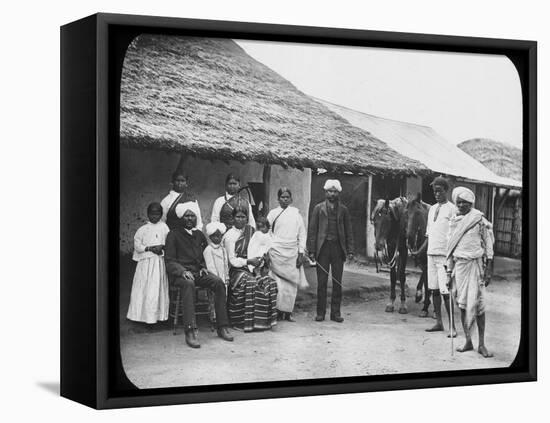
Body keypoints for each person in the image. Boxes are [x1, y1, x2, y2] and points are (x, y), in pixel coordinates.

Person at [164, 202, 233, 348]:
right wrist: (182, 271)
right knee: (188, 284)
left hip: (197, 272)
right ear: (181, 217)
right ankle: (190, 330)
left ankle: (222, 326)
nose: (189, 219)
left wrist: (202, 267)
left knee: (218, 282)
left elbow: (201, 257)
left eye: (192, 216)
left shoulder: (199, 235)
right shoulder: (173, 235)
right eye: (187, 216)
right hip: (180, 275)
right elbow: (169, 261)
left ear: (196, 218)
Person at [446, 187, 495, 358]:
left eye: (464, 203)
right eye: (458, 202)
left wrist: (488, 269)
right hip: (459, 267)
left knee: (479, 307)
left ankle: (481, 344)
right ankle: (468, 340)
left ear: (470, 203)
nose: (460, 205)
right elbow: (450, 249)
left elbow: (488, 246)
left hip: (476, 266)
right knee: (462, 305)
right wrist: (448, 272)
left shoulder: (479, 220)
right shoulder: (453, 221)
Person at [413, 176, 458, 336]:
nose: (437, 194)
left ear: (446, 191)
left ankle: (452, 327)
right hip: (431, 254)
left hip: (444, 257)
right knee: (434, 290)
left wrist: (453, 257)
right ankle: (438, 322)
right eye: (434, 192)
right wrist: (419, 251)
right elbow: (429, 235)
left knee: (446, 292)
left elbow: (455, 236)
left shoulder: (453, 209)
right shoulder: (432, 209)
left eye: (439, 191)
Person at [224, 205, 278, 332]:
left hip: (252, 267)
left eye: (243, 217)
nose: (241, 220)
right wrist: (248, 261)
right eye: (238, 217)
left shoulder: (252, 231)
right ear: (232, 218)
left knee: (270, 282)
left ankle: (262, 322)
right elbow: (231, 261)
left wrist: (262, 259)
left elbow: (259, 248)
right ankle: (241, 321)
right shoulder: (229, 236)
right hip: (236, 270)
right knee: (251, 282)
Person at [307, 179, 354, 323]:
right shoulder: (318, 208)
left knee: (337, 282)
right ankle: (320, 313)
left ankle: (336, 313)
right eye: (329, 191)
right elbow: (312, 230)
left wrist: (350, 250)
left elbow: (348, 231)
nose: (332, 194)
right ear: (325, 192)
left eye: (334, 191)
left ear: (338, 193)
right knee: (321, 283)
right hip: (323, 249)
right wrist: (312, 250)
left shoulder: (343, 210)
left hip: (338, 249)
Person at [267, 187, 308, 322]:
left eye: (287, 197)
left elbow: (302, 234)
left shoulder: (296, 215)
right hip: (277, 251)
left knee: (291, 284)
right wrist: (269, 247)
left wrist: (301, 252)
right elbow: (267, 232)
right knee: (278, 283)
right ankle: (278, 311)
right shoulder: (272, 214)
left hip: (292, 252)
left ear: (291, 199)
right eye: (282, 197)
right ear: (278, 199)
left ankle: (288, 312)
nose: (285, 199)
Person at [127, 202, 170, 324]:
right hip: (145, 264)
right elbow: (137, 245)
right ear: (148, 214)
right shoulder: (142, 229)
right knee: (143, 289)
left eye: (157, 213)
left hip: (158, 263)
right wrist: (149, 248)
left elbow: (169, 242)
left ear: (161, 214)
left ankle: (158, 317)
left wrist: (161, 246)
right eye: (152, 213)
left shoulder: (164, 228)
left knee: (156, 289)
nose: (154, 216)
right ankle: (140, 316)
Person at [203, 222, 230, 290]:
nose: (216, 238)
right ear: (210, 237)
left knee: (225, 292)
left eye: (218, 236)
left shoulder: (223, 249)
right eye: (214, 236)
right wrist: (217, 278)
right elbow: (210, 267)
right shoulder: (208, 249)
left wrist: (227, 277)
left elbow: (225, 263)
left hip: (223, 275)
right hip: (215, 278)